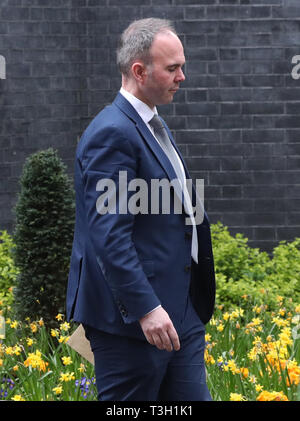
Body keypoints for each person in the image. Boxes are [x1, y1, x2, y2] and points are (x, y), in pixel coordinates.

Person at [66, 17, 216, 401]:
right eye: (173, 68)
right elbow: (109, 235)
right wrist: (146, 308)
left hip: (182, 314)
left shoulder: (150, 124)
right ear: (139, 70)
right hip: (134, 324)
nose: (183, 76)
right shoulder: (112, 133)